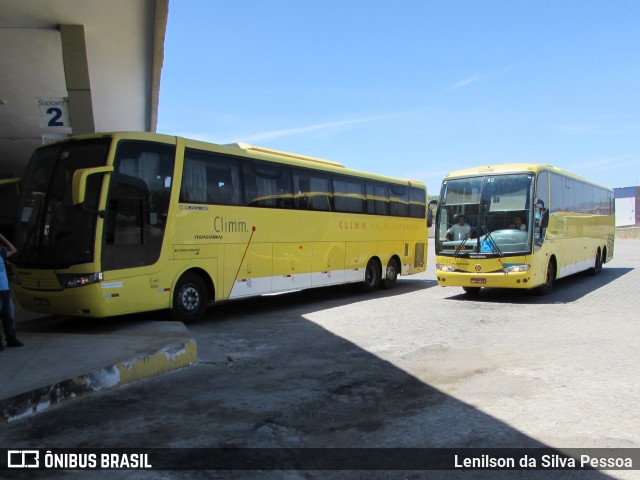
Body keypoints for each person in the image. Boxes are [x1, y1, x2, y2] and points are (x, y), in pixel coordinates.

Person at [0, 233, 23, 349]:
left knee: (9, 316)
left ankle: (11, 338)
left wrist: (2, 238)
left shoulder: (1, 255)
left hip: (5, 290)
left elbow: (13, 249)